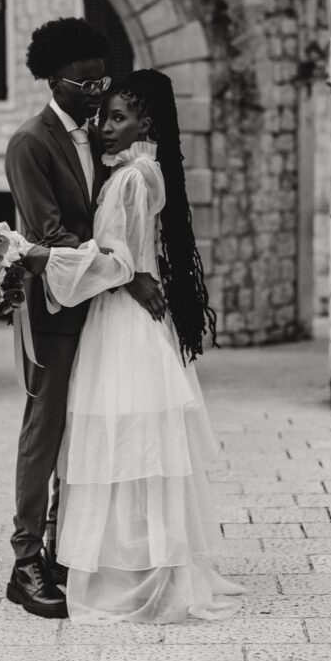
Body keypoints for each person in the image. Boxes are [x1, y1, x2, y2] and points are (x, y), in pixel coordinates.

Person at [38, 69, 245, 622]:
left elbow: (115, 259)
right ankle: (149, 560)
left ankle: (128, 575)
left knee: (120, 435)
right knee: (142, 441)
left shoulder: (130, 179)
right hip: (136, 316)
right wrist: (131, 273)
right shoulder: (146, 169)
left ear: (145, 123)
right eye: (104, 116)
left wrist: (41, 262)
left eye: (119, 118)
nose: (105, 126)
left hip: (121, 320)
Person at [5, 21, 165, 620]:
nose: (100, 91)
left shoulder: (106, 139)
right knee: (44, 430)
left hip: (99, 308)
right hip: (53, 310)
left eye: (104, 78)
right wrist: (128, 271)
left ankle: (62, 546)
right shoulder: (30, 142)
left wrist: (134, 266)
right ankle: (24, 564)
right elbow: (53, 237)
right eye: (87, 81)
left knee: (88, 430)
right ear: (55, 80)